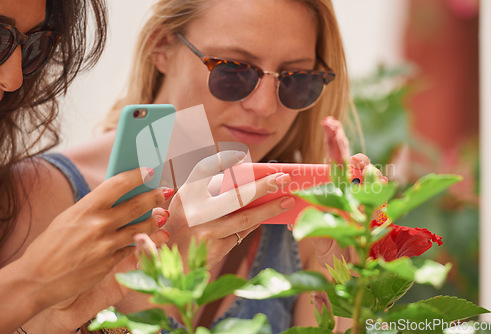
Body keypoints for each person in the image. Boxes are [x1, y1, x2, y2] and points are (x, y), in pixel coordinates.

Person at [71, 0, 357, 332]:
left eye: (296, 79)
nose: (264, 106)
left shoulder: (299, 221)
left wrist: (348, 286)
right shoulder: (46, 193)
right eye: (234, 69)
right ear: (161, 46)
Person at [0, 1, 173, 333]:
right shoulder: (40, 185)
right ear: (160, 47)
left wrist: (68, 314)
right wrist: (33, 281)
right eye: (231, 70)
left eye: (35, 46)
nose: (14, 78)